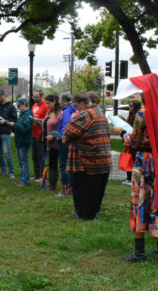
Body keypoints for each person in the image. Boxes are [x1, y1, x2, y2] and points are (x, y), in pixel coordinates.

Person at [114, 74, 158, 262]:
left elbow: (135, 140)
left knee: (140, 201)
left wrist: (121, 133)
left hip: (144, 162)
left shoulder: (142, 114)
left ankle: (139, 252)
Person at [62, 91, 112, 220]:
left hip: (87, 160)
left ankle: (85, 214)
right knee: (96, 191)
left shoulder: (85, 115)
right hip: (103, 158)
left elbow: (67, 134)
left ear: (82, 103)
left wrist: (72, 120)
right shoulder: (100, 112)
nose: (76, 108)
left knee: (83, 189)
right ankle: (92, 213)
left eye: (76, 105)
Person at [0, 88, 17, 178]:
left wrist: (5, 122)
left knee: (7, 152)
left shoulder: (11, 106)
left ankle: (11, 172)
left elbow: (14, 119)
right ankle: (3, 171)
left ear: (3, 95)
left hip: (5, 132)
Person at [8, 98, 32, 187]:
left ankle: (25, 181)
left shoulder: (28, 114)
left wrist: (14, 124)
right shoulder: (22, 114)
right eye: (17, 106)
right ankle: (22, 180)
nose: (18, 107)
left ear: (24, 104)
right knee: (21, 161)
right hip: (19, 141)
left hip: (24, 141)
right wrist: (10, 125)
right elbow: (18, 128)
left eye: (19, 105)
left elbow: (25, 128)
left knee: (24, 161)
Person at [56, 91, 75, 196]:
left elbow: (66, 127)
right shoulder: (71, 109)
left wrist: (62, 136)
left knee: (64, 165)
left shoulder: (67, 112)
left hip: (64, 142)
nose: (58, 102)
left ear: (63, 101)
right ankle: (70, 188)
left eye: (59, 99)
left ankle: (66, 190)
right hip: (67, 141)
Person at [44, 94, 63, 191]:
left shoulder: (60, 113)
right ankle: (50, 182)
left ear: (54, 102)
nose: (47, 105)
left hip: (56, 143)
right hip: (48, 142)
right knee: (49, 162)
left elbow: (62, 128)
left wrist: (54, 135)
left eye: (49, 103)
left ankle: (53, 184)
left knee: (53, 163)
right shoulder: (49, 112)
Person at [122, 100, 142, 185]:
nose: (130, 107)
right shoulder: (130, 115)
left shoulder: (138, 116)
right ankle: (128, 178)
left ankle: (133, 179)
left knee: (134, 160)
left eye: (131, 106)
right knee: (128, 159)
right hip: (129, 139)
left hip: (134, 141)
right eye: (129, 106)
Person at [31, 89, 48, 181]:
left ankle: (42, 175)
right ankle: (36, 174)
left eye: (37, 97)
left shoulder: (46, 105)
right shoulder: (34, 105)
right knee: (34, 155)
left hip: (41, 134)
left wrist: (40, 121)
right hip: (33, 134)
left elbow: (47, 120)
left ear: (41, 96)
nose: (35, 99)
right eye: (34, 97)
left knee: (41, 155)